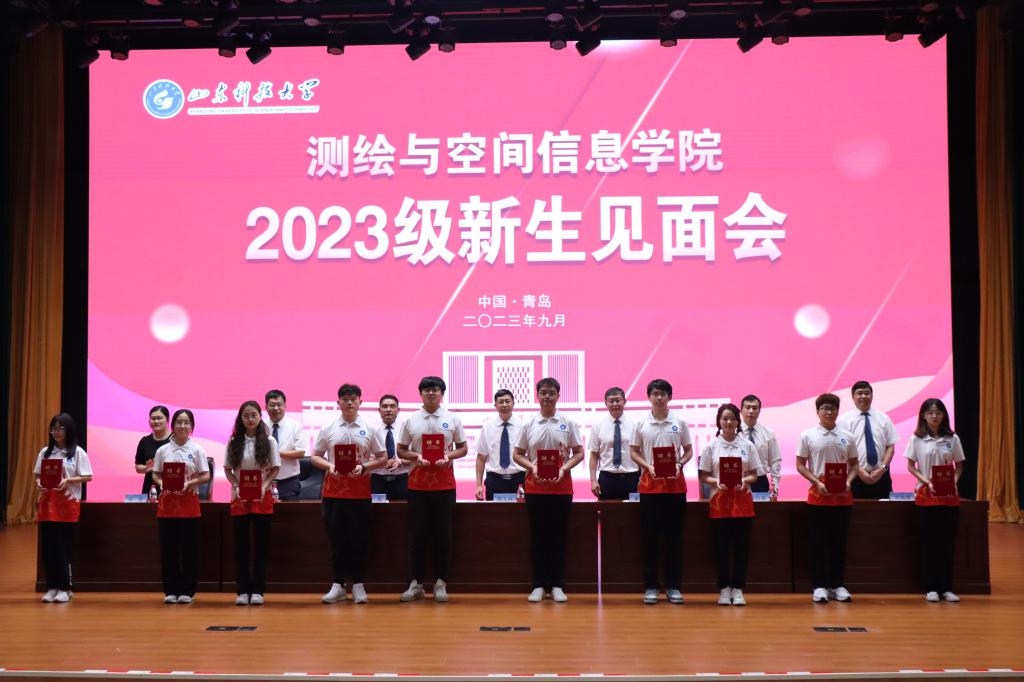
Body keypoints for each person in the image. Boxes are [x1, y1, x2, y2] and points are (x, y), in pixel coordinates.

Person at [311, 384, 387, 605]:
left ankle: (359, 584)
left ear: (360, 402)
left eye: (353, 399)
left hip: (360, 493)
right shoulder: (329, 428)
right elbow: (315, 456)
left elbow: (382, 457)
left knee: (359, 540)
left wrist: (364, 467)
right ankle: (338, 585)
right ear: (338, 403)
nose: (349, 403)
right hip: (333, 493)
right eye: (345, 399)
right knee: (337, 541)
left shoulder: (370, 428)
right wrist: (329, 466)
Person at [513, 377, 584, 603]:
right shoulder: (528, 423)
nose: (547, 396)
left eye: (551, 393)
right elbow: (517, 455)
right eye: (543, 392)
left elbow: (579, 453)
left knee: (558, 537)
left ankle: (557, 585)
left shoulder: (567, 422)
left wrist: (564, 468)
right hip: (535, 488)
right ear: (537, 395)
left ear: (558, 396)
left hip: (561, 488)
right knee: (538, 537)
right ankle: (538, 585)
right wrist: (532, 467)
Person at [397, 376, 468, 603]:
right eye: (426, 390)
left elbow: (463, 448)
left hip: (444, 485)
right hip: (417, 485)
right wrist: (416, 456)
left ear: (442, 394)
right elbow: (401, 450)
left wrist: (449, 456)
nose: (431, 393)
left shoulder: (452, 418)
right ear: (420, 393)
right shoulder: (410, 420)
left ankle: (440, 582)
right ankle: (416, 584)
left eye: (435, 389)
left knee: (443, 536)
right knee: (417, 536)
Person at [630, 378, 692, 605]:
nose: (659, 398)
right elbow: (634, 451)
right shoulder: (641, 423)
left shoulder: (679, 422)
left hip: (675, 487)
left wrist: (679, 464)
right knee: (650, 539)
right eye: (655, 394)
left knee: (674, 538)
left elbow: (688, 450)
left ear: (670, 397)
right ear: (649, 397)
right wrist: (648, 466)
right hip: (649, 487)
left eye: (663, 394)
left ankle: (674, 586)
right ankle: (651, 587)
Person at [796, 393, 859, 603]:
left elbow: (854, 465)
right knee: (818, 543)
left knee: (839, 543)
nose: (829, 412)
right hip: (818, 497)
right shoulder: (807, 435)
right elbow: (800, 465)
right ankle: (819, 586)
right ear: (818, 411)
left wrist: (848, 481)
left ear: (838, 411)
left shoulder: (847, 436)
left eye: (832, 408)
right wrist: (817, 482)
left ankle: (837, 585)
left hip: (842, 498)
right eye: (824, 408)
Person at [699, 403, 760, 606]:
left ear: (737, 422)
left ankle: (738, 588)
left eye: (732, 419)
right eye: (724, 418)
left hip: (743, 502)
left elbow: (754, 474)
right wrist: (716, 481)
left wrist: (745, 480)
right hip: (720, 502)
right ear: (719, 421)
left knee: (742, 548)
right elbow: (704, 475)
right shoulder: (711, 447)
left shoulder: (748, 446)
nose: (728, 422)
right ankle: (724, 589)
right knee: (721, 549)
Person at [904, 398, 965, 603]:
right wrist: (927, 481)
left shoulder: (952, 438)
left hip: (948, 497)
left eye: (938, 412)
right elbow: (911, 466)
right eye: (930, 412)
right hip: (925, 494)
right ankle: (931, 588)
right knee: (929, 543)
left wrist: (953, 482)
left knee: (947, 543)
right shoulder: (916, 439)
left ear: (944, 415)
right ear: (923, 415)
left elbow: (959, 465)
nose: (934, 416)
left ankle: (946, 588)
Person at [223, 401, 280, 606]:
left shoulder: (269, 441)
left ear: (260, 417)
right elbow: (228, 469)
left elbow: (275, 468)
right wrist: (236, 485)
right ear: (241, 418)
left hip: (262, 497)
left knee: (260, 546)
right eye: (246, 415)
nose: (250, 419)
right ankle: (242, 590)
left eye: (253, 415)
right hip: (240, 497)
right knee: (241, 547)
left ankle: (258, 590)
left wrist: (264, 485)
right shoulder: (233, 442)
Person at [152, 409, 211, 604]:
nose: (183, 426)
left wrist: (190, 483)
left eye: (187, 423)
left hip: (189, 504)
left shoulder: (197, 450)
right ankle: (170, 590)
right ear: (173, 425)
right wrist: (162, 483)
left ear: (192, 427)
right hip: (167, 505)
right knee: (168, 550)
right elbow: (156, 474)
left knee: (189, 550)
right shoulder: (162, 450)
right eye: (179, 422)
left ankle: (187, 590)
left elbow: (206, 475)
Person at [34, 413, 93, 603]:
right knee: (48, 548)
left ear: (69, 430)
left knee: (63, 548)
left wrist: (68, 480)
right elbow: (37, 475)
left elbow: (88, 476)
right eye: (54, 428)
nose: (57, 432)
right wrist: (39, 483)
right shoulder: (45, 452)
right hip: (47, 505)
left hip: (67, 505)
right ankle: (51, 587)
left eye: (61, 428)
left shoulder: (78, 452)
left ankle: (65, 588)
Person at [837, 381, 898, 499]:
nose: (863, 396)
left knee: (885, 509)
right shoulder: (844, 420)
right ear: (853, 396)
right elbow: (842, 450)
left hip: (881, 476)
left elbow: (890, 446)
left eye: (867, 393)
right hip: (855, 476)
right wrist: (859, 470)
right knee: (856, 509)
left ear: (872, 396)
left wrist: (882, 469)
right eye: (859, 393)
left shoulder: (884, 418)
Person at [589, 387, 640, 500]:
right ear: (606, 403)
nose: (615, 404)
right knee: (607, 510)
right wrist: (593, 480)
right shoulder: (598, 425)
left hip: (632, 478)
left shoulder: (636, 424)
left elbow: (640, 453)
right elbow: (594, 455)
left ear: (625, 401)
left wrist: (642, 478)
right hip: (607, 479)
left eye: (618, 400)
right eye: (611, 401)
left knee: (634, 510)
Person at [475, 389, 525, 501]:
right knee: (494, 512)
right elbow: (481, 458)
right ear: (495, 405)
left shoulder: (523, 427)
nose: (504, 405)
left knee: (519, 512)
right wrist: (478, 485)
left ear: (513, 403)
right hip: (494, 481)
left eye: (507, 401)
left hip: (519, 481)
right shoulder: (487, 427)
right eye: (501, 402)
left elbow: (530, 457)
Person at [264, 390, 306, 501]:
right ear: (266, 407)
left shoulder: (295, 426)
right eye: (272, 405)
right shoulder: (260, 427)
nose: (276, 408)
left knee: (289, 512)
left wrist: (274, 453)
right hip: (264, 481)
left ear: (285, 406)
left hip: (289, 482)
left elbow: (300, 453)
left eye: (279, 404)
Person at [739, 395, 782, 497]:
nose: (751, 411)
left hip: (760, 482)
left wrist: (775, 484)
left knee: (762, 508)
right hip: (739, 482)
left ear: (759, 411)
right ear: (741, 410)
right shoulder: (734, 434)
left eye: (754, 408)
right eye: (748, 407)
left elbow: (775, 461)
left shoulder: (768, 433)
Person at [371, 394, 409, 501]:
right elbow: (365, 456)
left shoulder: (407, 429)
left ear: (398, 410)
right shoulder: (371, 429)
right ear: (379, 410)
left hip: (402, 480)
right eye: (384, 406)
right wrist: (380, 462)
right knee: (378, 509)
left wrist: (400, 461)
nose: (388, 410)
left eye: (392, 406)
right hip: (378, 481)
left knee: (402, 510)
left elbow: (416, 455)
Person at [134, 405, 170, 495]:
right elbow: (138, 467)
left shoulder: (175, 440)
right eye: (153, 418)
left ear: (167, 420)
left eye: (159, 418)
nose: (156, 421)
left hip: (170, 486)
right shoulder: (145, 441)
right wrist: (148, 468)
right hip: (150, 487)